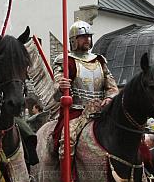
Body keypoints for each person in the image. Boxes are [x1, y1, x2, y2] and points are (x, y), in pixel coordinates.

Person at [51, 20, 119, 148]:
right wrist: (61, 87)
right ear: (74, 40)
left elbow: (112, 86)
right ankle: (67, 167)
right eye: (83, 37)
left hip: (101, 111)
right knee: (67, 140)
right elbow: (56, 90)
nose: (87, 39)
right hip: (77, 112)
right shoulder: (66, 61)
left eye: (89, 36)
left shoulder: (99, 60)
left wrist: (109, 98)